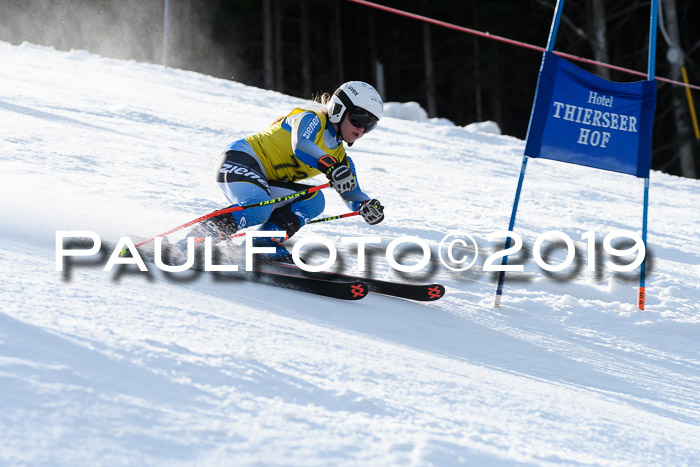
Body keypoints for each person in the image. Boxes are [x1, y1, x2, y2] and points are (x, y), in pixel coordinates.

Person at [180, 81, 385, 262]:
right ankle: (197, 238)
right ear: (339, 109)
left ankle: (261, 244)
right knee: (259, 209)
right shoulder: (310, 119)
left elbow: (351, 193)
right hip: (240, 160)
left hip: (265, 181)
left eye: (370, 125)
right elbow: (302, 145)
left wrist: (365, 205)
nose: (361, 130)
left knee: (315, 200)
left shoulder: (341, 159)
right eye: (359, 119)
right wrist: (330, 166)